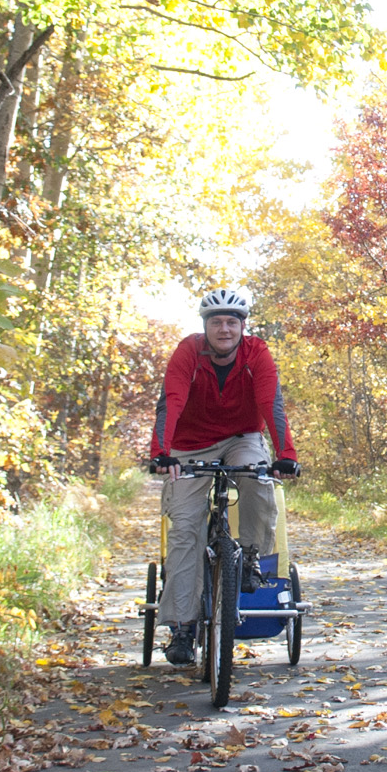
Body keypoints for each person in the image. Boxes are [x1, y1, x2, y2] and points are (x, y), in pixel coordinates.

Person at [148, 285, 299, 665]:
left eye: (232, 322)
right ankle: (182, 628)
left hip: (241, 437)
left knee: (260, 480)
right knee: (185, 529)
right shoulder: (187, 352)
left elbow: (270, 403)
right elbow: (172, 400)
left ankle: (249, 557)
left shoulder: (257, 353)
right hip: (188, 444)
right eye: (217, 322)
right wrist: (162, 453)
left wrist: (285, 456)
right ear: (205, 326)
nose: (225, 329)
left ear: (243, 326)